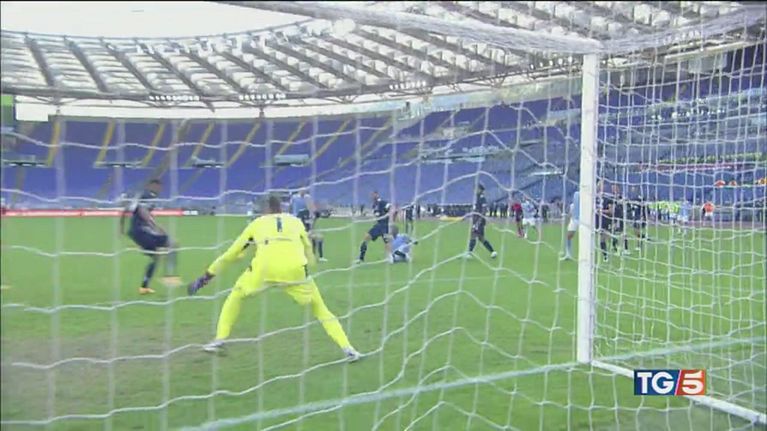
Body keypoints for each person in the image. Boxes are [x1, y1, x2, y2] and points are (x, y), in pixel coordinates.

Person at [187, 195, 361, 361]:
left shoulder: (257, 223)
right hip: (295, 270)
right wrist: (311, 262)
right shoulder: (295, 221)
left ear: (266, 209)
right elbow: (308, 246)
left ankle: (219, 339)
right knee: (320, 309)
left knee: (236, 295)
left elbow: (231, 253)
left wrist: (206, 277)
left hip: (264, 269)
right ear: (281, 208)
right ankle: (348, 348)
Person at [121, 179, 181, 295]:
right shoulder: (148, 196)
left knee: (157, 256)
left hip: (136, 232)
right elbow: (143, 212)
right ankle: (169, 276)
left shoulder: (142, 196)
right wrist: (155, 226)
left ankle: (144, 287)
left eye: (160, 187)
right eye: (157, 186)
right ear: (151, 186)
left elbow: (128, 210)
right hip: (142, 232)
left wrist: (121, 227)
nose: (159, 189)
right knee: (173, 244)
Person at [356, 191, 393, 264]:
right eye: (372, 195)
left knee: (387, 242)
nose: (372, 196)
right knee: (366, 238)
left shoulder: (382, 202)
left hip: (385, 225)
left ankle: (390, 257)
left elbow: (391, 207)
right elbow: (377, 215)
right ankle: (361, 258)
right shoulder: (374, 205)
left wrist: (390, 215)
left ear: (377, 195)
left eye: (374, 195)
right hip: (378, 226)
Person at [291, 189, 327, 262]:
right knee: (309, 238)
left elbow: (314, 223)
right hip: (302, 232)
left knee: (319, 238)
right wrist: (306, 232)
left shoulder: (314, 214)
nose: (310, 204)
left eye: (311, 203)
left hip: (308, 231)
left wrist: (311, 230)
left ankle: (320, 257)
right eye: (308, 203)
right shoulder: (302, 213)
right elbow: (299, 224)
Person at [465, 183, 497, 259]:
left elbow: (484, 210)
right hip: (477, 220)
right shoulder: (477, 197)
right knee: (481, 238)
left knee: (473, 235)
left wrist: (479, 221)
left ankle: (469, 253)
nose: (475, 190)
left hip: (479, 221)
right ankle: (492, 252)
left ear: (480, 189)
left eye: (477, 189)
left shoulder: (482, 198)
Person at [610, 184, 629, 255]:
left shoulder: (621, 196)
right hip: (614, 217)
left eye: (615, 188)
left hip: (621, 217)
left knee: (623, 233)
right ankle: (615, 247)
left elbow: (625, 204)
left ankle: (625, 249)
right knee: (614, 232)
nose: (613, 189)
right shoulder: (611, 197)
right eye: (612, 188)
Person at [561, 190, 579, 261]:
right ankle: (568, 254)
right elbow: (570, 214)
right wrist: (567, 218)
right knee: (568, 236)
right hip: (574, 220)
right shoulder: (572, 205)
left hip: (583, 220)